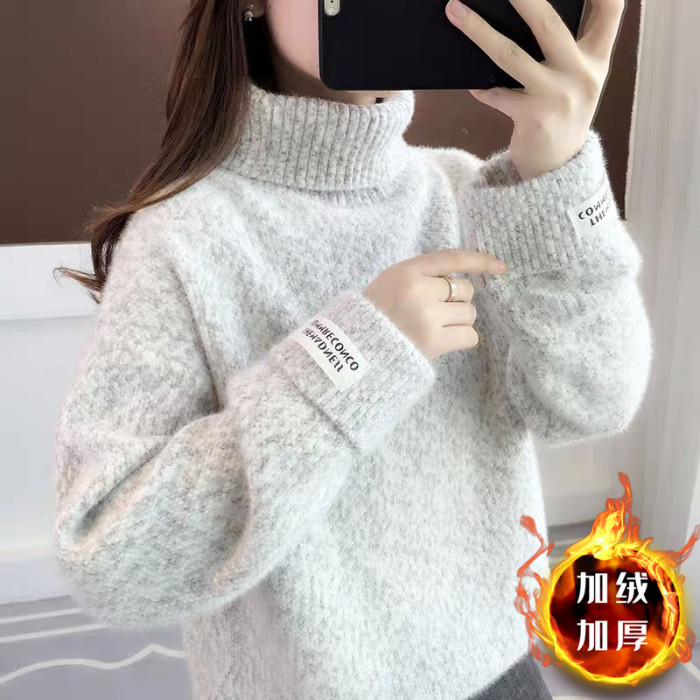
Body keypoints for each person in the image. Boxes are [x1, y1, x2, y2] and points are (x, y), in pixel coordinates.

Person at [52, 1, 651, 698]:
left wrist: (558, 167)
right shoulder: (181, 238)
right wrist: (350, 355)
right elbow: (111, 559)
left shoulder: (467, 193)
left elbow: (594, 401)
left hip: (503, 673)